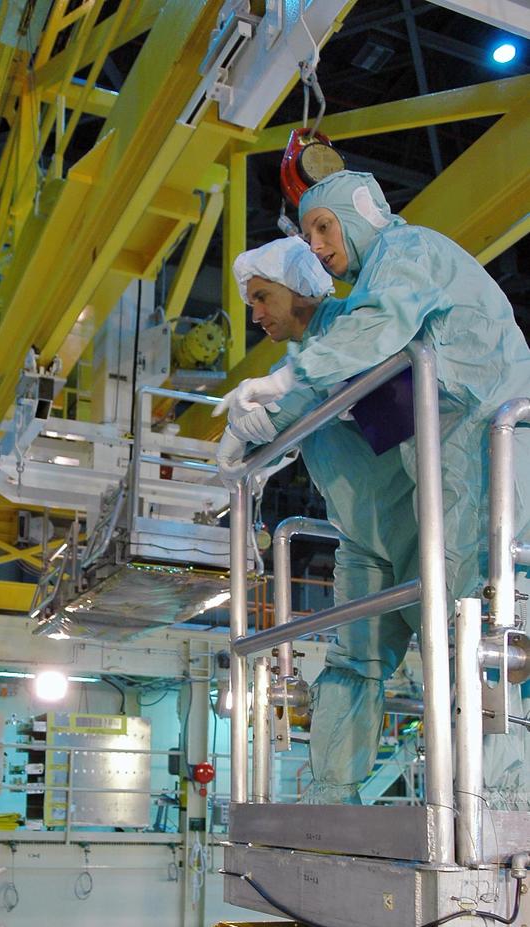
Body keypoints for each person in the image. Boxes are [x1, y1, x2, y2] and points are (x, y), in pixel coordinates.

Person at [217, 170, 530, 807]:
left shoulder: (406, 258)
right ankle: (333, 793)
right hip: (380, 526)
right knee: (354, 658)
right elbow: (301, 395)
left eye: (324, 227)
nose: (319, 244)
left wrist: (278, 393)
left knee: (471, 633)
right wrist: (242, 443)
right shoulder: (332, 344)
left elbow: (370, 332)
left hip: (468, 464)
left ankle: (495, 795)